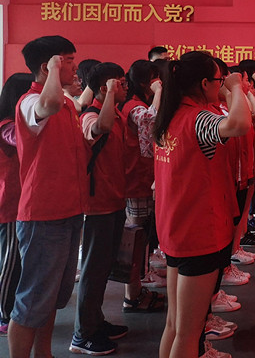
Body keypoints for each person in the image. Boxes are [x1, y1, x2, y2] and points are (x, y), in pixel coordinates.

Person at [153, 51, 251, 358]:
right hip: (199, 233)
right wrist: (236, 87)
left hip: (176, 230)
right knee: (189, 331)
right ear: (205, 83)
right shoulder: (199, 119)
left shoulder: (169, 116)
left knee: (174, 325)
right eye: (218, 81)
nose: (222, 85)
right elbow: (240, 123)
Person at [9, 36, 89, 358]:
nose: (75, 67)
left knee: (52, 297)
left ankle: (45, 354)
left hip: (69, 210)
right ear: (48, 66)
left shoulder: (67, 104)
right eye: (68, 60)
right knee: (32, 300)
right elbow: (49, 104)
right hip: (43, 215)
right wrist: (54, 70)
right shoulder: (30, 102)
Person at [71, 62, 130, 355]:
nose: (126, 88)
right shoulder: (90, 115)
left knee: (104, 268)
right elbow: (99, 128)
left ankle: (95, 321)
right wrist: (108, 94)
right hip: (97, 206)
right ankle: (82, 335)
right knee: (93, 270)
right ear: (106, 88)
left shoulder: (117, 115)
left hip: (115, 201)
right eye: (120, 83)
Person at [119, 59, 165, 311]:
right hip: (136, 178)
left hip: (144, 177)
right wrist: (158, 93)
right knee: (136, 237)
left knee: (144, 235)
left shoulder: (141, 103)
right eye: (155, 78)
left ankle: (138, 285)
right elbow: (150, 121)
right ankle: (132, 295)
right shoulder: (133, 106)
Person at [0, 73, 34, 336]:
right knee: (10, 263)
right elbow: (20, 139)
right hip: (9, 205)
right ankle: (4, 313)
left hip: (16, 202)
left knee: (14, 261)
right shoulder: (7, 125)